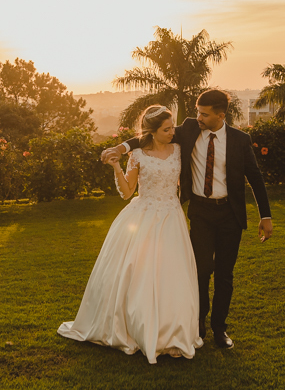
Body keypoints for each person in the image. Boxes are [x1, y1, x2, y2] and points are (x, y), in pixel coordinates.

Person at [100, 89, 272, 349]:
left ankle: (219, 329)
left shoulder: (239, 140)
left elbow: (255, 177)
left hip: (230, 215)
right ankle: (198, 325)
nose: (198, 117)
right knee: (200, 270)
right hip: (200, 213)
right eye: (197, 111)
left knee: (225, 274)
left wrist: (265, 215)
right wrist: (121, 147)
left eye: (204, 114)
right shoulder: (190, 129)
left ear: (220, 115)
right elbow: (148, 136)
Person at [58, 105, 203, 363]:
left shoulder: (179, 150)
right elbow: (127, 192)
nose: (173, 133)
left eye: (172, 127)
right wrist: (116, 166)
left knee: (173, 273)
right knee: (140, 273)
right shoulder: (138, 155)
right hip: (144, 216)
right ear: (152, 131)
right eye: (167, 129)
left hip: (172, 217)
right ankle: (136, 328)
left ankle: (173, 332)